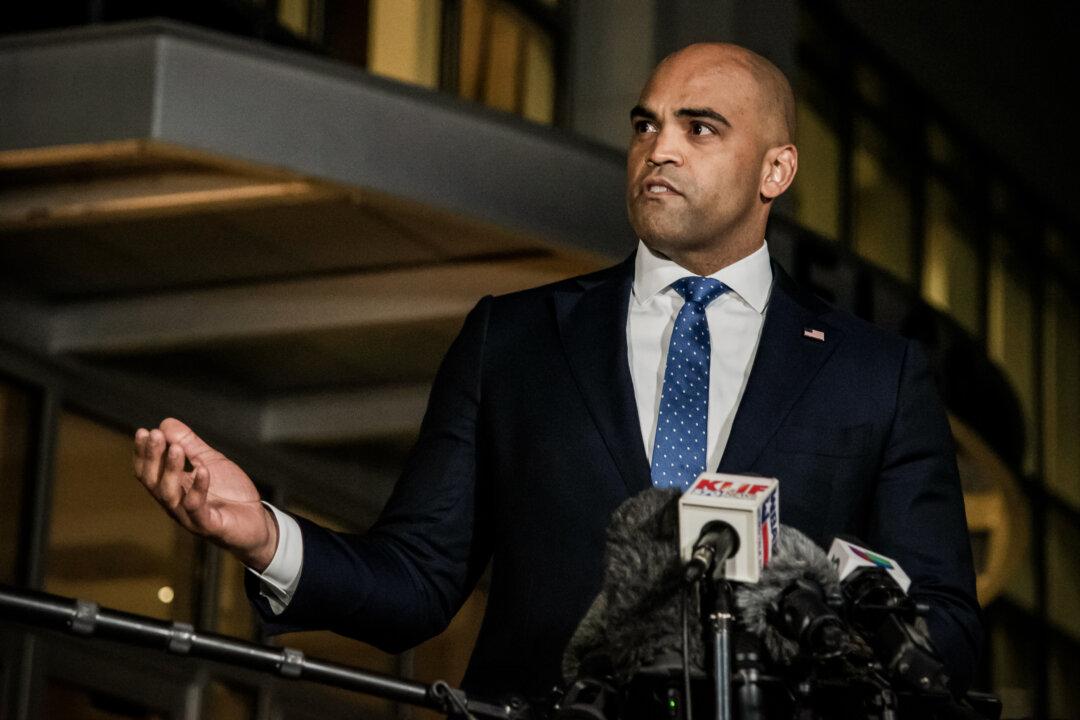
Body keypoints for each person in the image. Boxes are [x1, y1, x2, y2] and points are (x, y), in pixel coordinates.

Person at [133, 43, 981, 701]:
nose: (659, 149)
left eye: (700, 127)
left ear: (776, 170)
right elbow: (419, 579)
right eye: (645, 124)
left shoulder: (878, 376)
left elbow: (944, 629)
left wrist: (809, 603)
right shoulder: (516, 338)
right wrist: (267, 536)